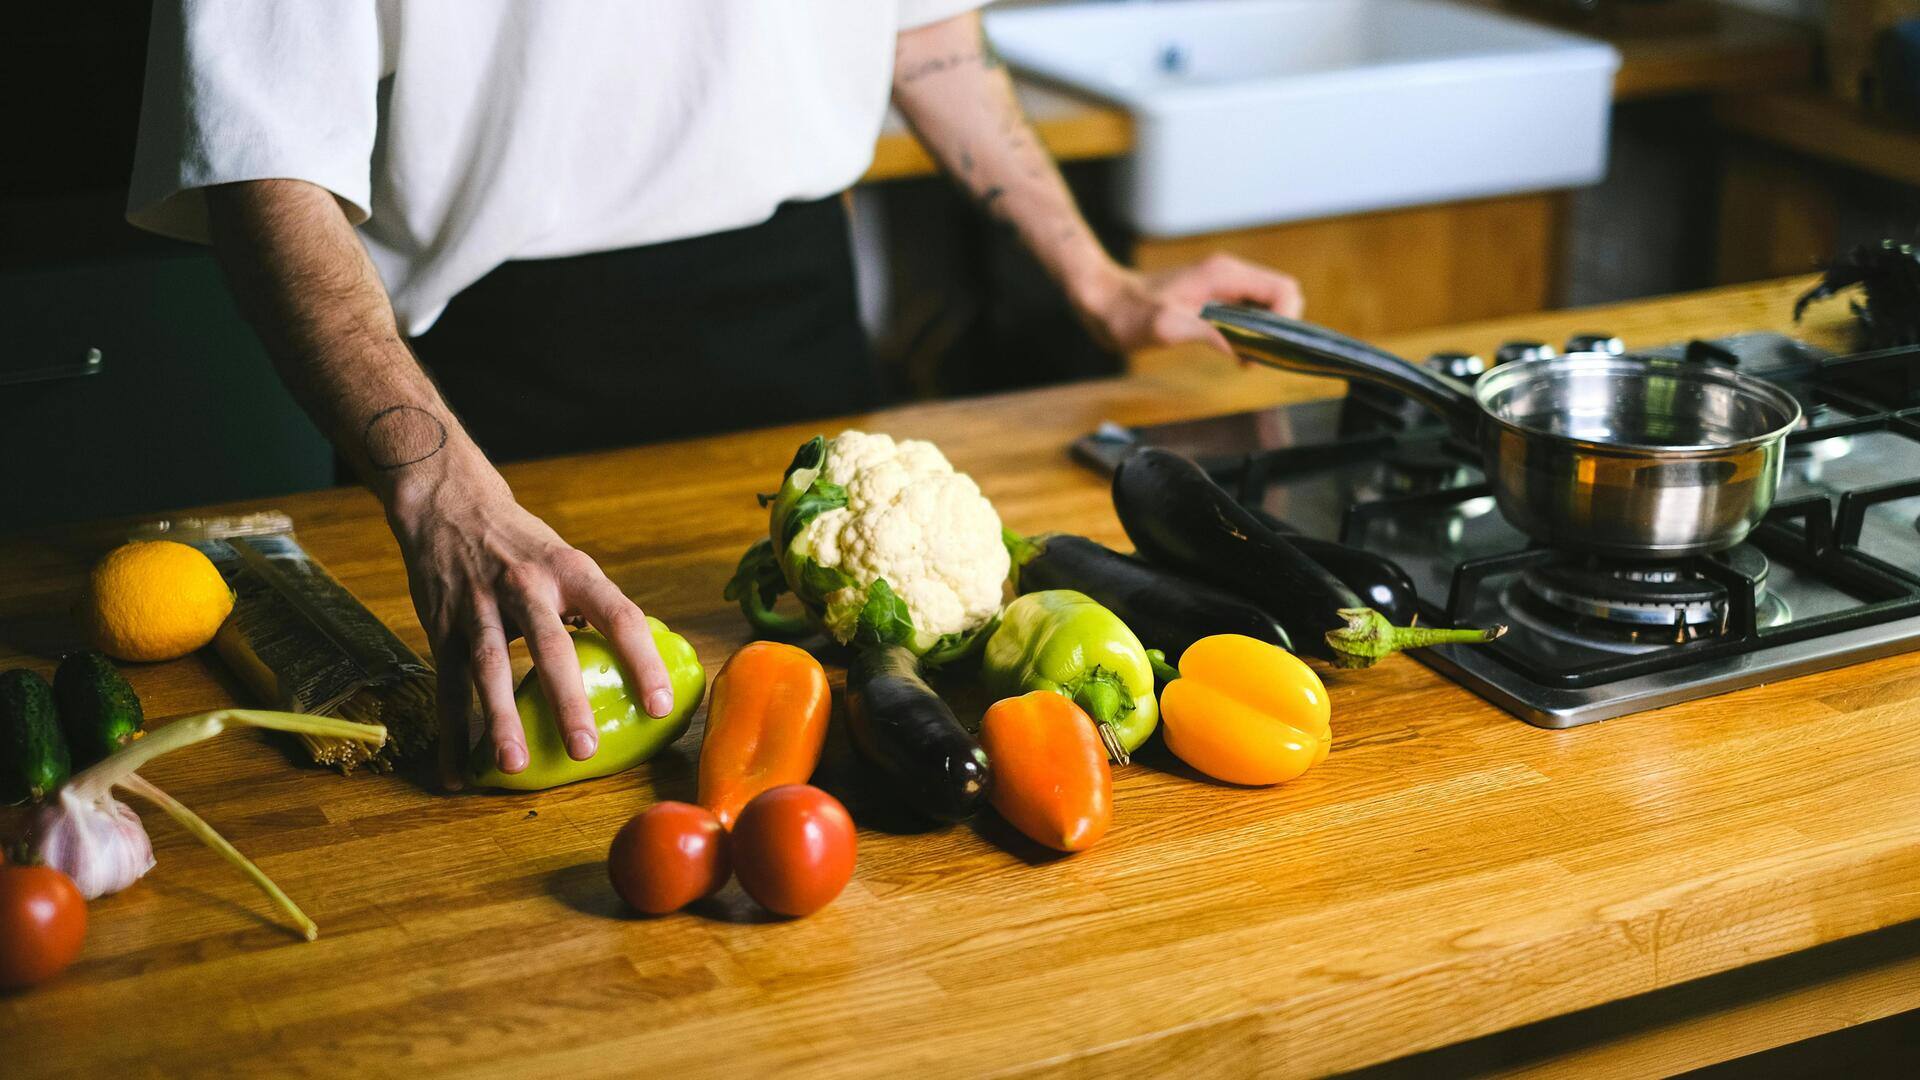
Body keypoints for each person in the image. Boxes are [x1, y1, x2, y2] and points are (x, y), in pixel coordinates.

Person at [127, 1, 1304, 790]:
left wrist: (1101, 285)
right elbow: (259, 155)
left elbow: (924, 25)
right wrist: (436, 489)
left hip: (803, 349)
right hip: (470, 417)